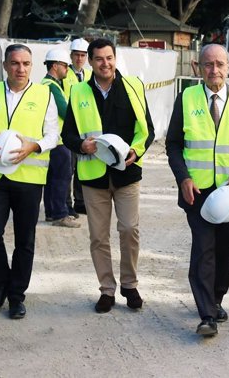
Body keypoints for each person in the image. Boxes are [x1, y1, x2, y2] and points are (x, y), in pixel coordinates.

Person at [166, 44, 229, 337]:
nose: (214, 70)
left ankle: (217, 299)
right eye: (208, 64)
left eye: (220, 64)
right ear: (198, 68)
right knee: (203, 250)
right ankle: (206, 314)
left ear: (228, 67)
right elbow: (173, 144)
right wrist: (183, 178)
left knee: (224, 251)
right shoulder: (186, 98)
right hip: (196, 192)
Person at [61, 38, 155, 311]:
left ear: (116, 58)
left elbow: (146, 128)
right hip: (94, 177)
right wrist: (81, 145)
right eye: (99, 59)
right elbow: (67, 134)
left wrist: (136, 152)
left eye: (109, 57)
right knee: (99, 237)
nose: (105, 63)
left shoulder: (133, 86)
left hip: (127, 172)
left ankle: (130, 285)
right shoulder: (78, 92)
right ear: (89, 61)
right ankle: (107, 290)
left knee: (129, 229)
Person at [0, 44, 59, 319]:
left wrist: (34, 147)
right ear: (5, 65)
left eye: (26, 63)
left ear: (32, 66)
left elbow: (53, 134)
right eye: (15, 63)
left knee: (24, 240)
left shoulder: (44, 94)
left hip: (29, 178)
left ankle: (17, 296)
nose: (21, 69)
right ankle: (2, 284)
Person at [41, 48, 80, 228]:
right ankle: (59, 214)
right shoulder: (52, 86)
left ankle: (51, 212)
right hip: (58, 140)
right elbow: (65, 111)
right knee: (61, 178)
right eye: (65, 66)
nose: (67, 70)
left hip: (53, 139)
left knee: (52, 178)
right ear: (55, 66)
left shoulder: (47, 84)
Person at [63, 38, 92, 216]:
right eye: (77, 55)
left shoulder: (89, 75)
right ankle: (67, 204)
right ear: (71, 56)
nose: (79, 59)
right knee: (68, 170)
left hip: (86, 128)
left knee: (82, 168)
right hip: (71, 128)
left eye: (82, 55)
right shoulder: (65, 75)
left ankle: (80, 201)